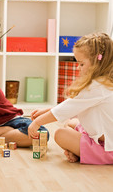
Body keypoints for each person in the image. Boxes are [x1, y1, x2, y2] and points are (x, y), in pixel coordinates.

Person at [28, 32, 113, 164]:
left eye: (81, 64)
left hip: (108, 149)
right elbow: (72, 104)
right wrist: (45, 112)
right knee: (71, 123)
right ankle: (79, 152)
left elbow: (68, 108)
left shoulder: (97, 87)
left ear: (97, 61)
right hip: (103, 137)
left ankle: (83, 153)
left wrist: (37, 122)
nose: (78, 68)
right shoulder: (103, 82)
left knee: (60, 134)